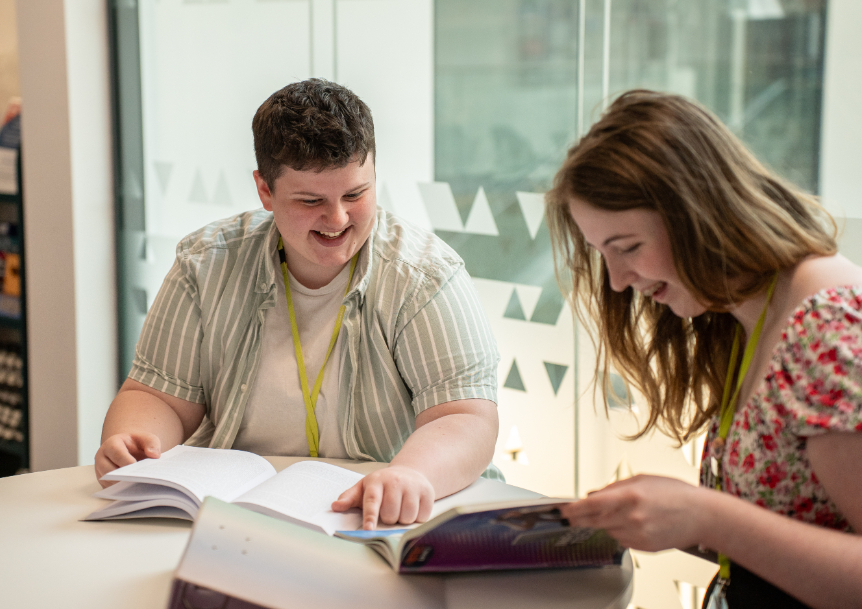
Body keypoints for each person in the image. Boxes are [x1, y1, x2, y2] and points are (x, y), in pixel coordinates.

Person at [94, 78, 501, 530]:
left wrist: (411, 474)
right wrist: (136, 442)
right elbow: (157, 396)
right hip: (234, 515)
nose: (338, 219)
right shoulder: (205, 263)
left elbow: (466, 417)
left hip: (378, 518)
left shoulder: (426, 276)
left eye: (355, 194)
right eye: (311, 201)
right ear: (265, 191)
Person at [547, 90, 862, 608]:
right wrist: (661, 518)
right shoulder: (747, 316)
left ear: (699, 214)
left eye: (627, 248)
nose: (620, 281)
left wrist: (708, 516)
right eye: (604, 255)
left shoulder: (824, 330)